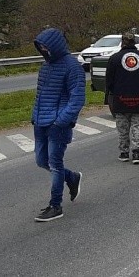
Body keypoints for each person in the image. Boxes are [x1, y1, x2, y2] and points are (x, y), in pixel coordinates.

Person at [31, 27, 85, 222]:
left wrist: (61, 121)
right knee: (41, 160)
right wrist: (34, 116)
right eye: (41, 47)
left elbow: (77, 98)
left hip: (58, 124)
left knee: (55, 164)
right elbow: (40, 95)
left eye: (46, 46)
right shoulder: (46, 67)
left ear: (55, 45)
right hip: (40, 122)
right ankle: (72, 178)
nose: (43, 50)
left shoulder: (72, 66)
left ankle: (55, 205)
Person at [106, 30, 139, 164]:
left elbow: (109, 80)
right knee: (138, 127)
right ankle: (136, 152)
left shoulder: (114, 58)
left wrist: (114, 92)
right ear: (135, 43)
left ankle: (124, 152)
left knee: (122, 128)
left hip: (121, 99)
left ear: (122, 42)